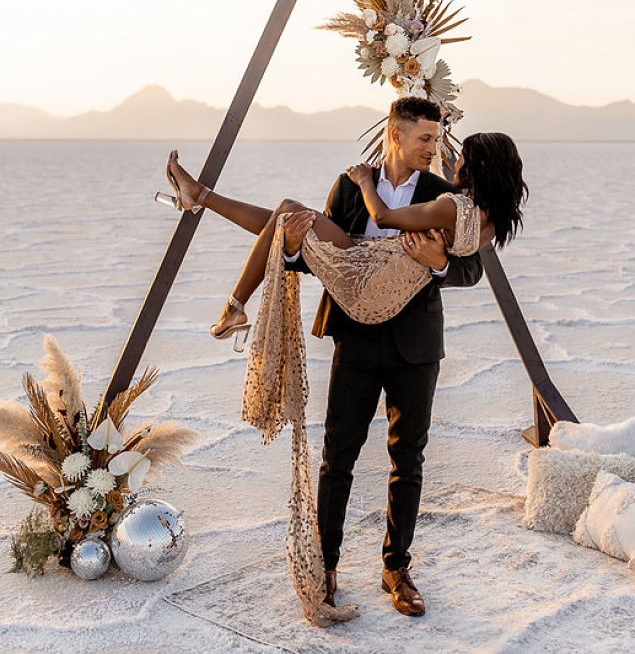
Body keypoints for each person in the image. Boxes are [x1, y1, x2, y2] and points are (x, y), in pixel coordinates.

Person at [161, 97, 527, 621]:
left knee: (409, 458)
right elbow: (322, 257)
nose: (435, 147)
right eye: (425, 138)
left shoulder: (443, 194)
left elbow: (471, 268)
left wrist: (441, 263)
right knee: (339, 457)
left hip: (414, 345)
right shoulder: (348, 184)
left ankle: (396, 569)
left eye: (438, 138)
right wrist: (295, 252)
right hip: (354, 335)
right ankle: (327, 567)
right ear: (395, 135)